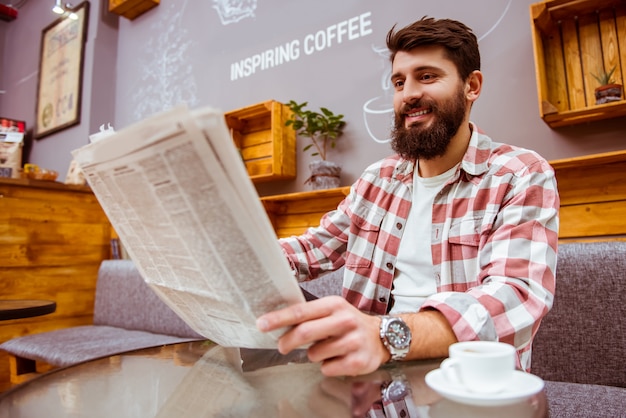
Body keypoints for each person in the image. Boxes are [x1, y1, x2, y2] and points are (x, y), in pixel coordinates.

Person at [256, 16, 559, 377]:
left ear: (471, 85)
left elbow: (515, 296)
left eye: (427, 76)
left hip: (473, 384)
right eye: (399, 82)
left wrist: (385, 335)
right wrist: (240, 258)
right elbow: (313, 249)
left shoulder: (520, 174)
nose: (409, 93)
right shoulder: (378, 179)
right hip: (373, 381)